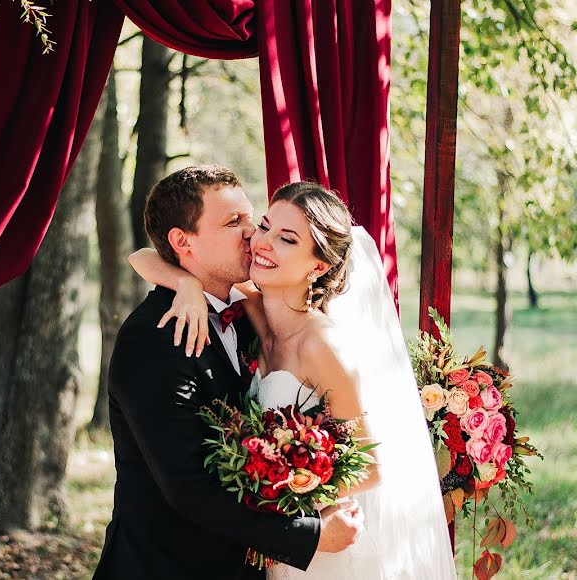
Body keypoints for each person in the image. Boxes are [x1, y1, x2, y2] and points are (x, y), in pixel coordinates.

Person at [130, 180, 457, 579]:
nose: (260, 241)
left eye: (286, 239)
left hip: (317, 542)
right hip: (272, 548)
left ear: (318, 265)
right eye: (264, 226)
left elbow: (371, 466)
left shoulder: (322, 346)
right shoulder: (251, 309)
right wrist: (185, 282)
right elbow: (143, 255)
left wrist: (282, 495)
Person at [93, 167, 364, 580]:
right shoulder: (154, 338)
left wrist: (184, 282)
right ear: (183, 242)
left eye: (251, 217)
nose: (253, 233)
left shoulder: (250, 313)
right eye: (233, 222)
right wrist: (305, 535)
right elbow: (187, 487)